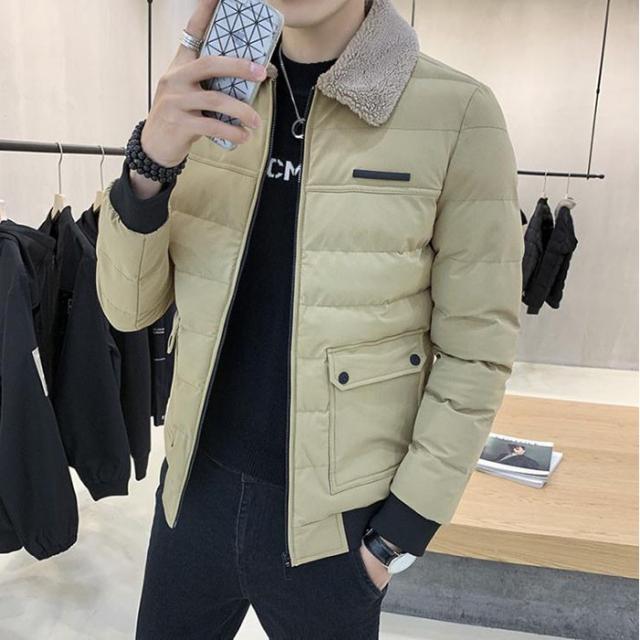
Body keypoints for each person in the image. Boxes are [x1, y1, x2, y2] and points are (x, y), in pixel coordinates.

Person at [95, 0, 524, 637]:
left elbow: (477, 348)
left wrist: (397, 535)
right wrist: (149, 165)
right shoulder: (210, 93)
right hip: (192, 497)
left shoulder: (458, 114)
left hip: (337, 531)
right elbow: (128, 307)